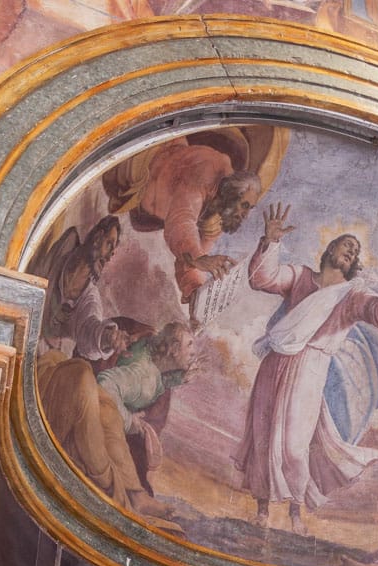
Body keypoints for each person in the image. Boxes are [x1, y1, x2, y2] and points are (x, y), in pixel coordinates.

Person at [234, 202, 378, 534]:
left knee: (294, 444)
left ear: (355, 265)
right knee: (263, 435)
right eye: (345, 245)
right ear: (329, 250)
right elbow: (262, 278)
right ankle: (262, 509)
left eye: (355, 251)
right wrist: (271, 242)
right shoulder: (300, 276)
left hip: (310, 367)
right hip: (275, 362)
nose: (351, 251)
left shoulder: (350, 296)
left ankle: (295, 512)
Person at [37, 320, 196, 520]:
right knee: (107, 412)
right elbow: (107, 383)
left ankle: (133, 494)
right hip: (75, 388)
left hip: (87, 391)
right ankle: (124, 491)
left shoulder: (150, 364)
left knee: (109, 414)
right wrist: (129, 421)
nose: (194, 352)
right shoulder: (143, 376)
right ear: (173, 349)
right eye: (190, 345)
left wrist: (179, 378)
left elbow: (156, 379)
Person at [102, 140, 262, 304]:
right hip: (131, 166)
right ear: (233, 194)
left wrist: (194, 289)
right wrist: (198, 258)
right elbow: (182, 220)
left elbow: (196, 258)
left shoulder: (219, 214)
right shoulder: (207, 171)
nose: (245, 215)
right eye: (244, 205)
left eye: (250, 208)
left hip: (146, 204)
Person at [31, 216, 129, 362]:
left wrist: (107, 337)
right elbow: (37, 271)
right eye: (109, 244)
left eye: (112, 252)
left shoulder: (90, 297)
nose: (108, 257)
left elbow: (88, 328)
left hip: (45, 356)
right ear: (98, 236)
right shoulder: (67, 245)